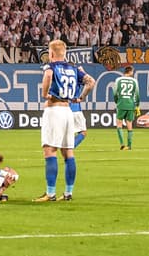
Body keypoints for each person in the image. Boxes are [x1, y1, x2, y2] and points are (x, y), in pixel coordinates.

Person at [35, 39, 93, 202]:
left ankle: (50, 193)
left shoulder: (51, 66)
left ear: (51, 53)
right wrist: (81, 97)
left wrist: (45, 93)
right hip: (68, 111)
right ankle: (68, 193)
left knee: (50, 150)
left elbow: (47, 75)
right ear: (65, 53)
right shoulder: (74, 68)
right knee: (68, 152)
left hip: (54, 110)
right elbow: (91, 82)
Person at [113, 64, 139, 150]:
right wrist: (137, 105)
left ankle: (122, 144)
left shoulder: (118, 80)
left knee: (119, 124)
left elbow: (115, 93)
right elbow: (137, 95)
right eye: (132, 71)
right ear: (130, 71)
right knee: (129, 124)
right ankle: (129, 145)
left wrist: (117, 101)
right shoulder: (134, 81)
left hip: (121, 104)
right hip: (131, 104)